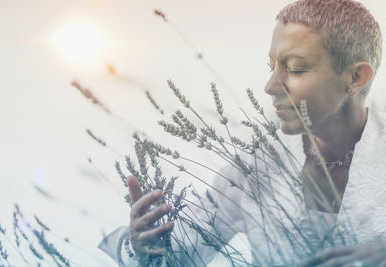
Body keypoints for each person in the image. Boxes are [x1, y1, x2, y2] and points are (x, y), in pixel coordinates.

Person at [99, 0, 386, 265]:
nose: (271, 86)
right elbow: (180, 255)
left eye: (295, 68)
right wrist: (141, 244)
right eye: (272, 67)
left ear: (355, 77)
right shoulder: (255, 168)